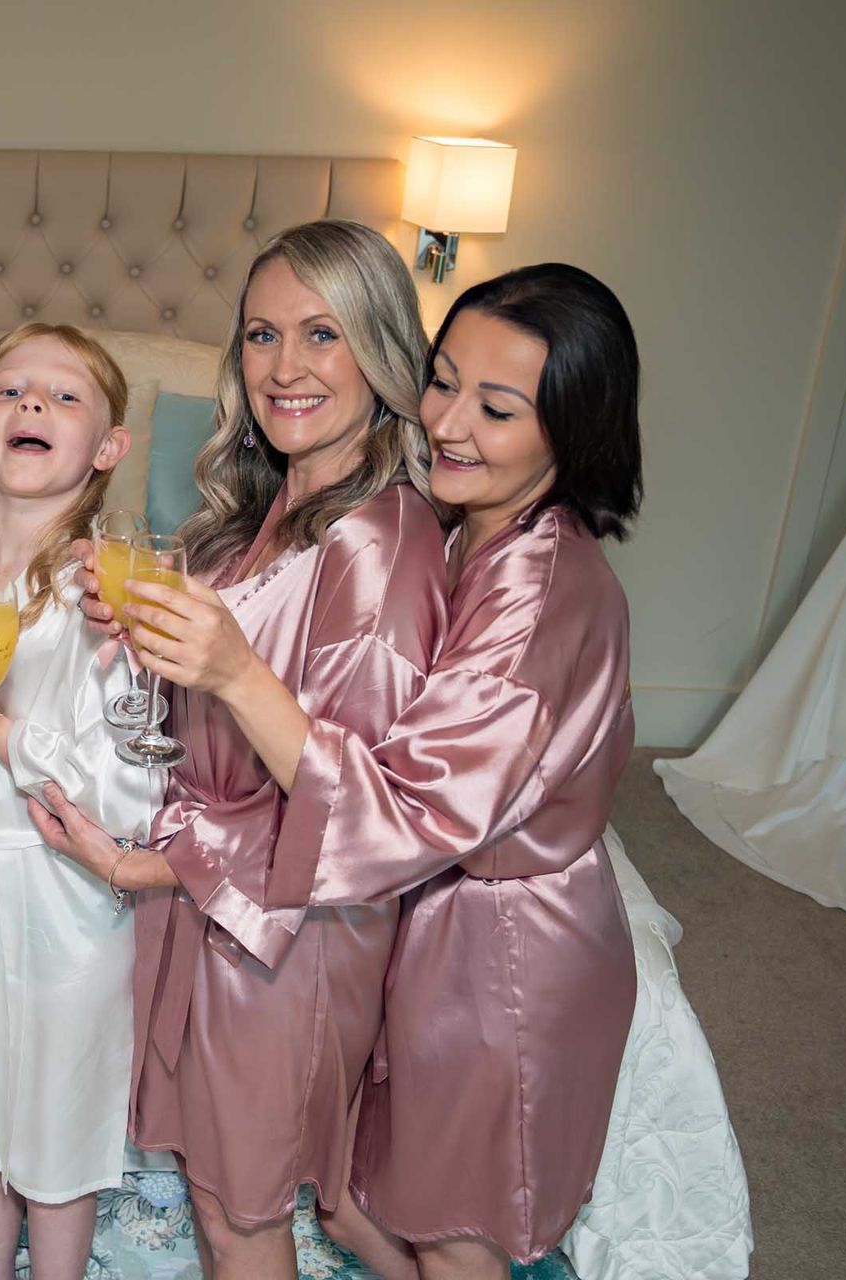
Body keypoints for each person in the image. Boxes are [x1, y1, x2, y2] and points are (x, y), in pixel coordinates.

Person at [190, 264, 641, 1280]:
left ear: (575, 426)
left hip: (503, 957)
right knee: (368, 1205)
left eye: (497, 406)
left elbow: (406, 805)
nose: (449, 422)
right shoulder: (472, 530)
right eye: (442, 383)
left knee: (458, 1236)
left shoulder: (536, 588)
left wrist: (234, 671)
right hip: (447, 925)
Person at [38, 222, 448, 1280]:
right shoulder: (279, 509)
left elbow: (367, 808)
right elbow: (219, 724)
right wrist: (151, 641)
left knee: (242, 1216)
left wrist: (226, 670)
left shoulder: (381, 547)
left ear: (383, 350)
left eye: (323, 333)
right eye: (262, 334)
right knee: (226, 1199)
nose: (283, 366)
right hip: (221, 899)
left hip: (288, 933)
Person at [0, 324, 165, 1279]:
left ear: (109, 449)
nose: (34, 406)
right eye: (11, 392)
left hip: (62, 886)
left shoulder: (104, 596)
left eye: (65, 398)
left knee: (59, 1121)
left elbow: (124, 785)